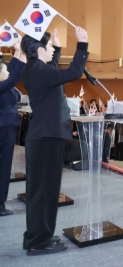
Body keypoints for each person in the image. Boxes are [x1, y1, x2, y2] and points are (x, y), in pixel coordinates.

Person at [21, 27, 89, 255]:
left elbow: (52, 67)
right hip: (46, 138)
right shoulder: (39, 71)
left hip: (44, 137)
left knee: (42, 192)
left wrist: (57, 46)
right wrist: (82, 45)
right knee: (44, 193)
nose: (52, 50)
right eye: (49, 47)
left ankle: (37, 237)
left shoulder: (35, 68)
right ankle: (39, 241)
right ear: (40, 50)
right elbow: (73, 72)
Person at [0, 41, 27, 217]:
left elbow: (12, 73)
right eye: (3, 69)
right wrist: (21, 57)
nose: (7, 70)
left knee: (4, 167)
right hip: (4, 129)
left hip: (7, 128)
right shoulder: (4, 86)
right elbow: (14, 77)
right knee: (3, 167)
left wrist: (17, 52)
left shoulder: (5, 87)